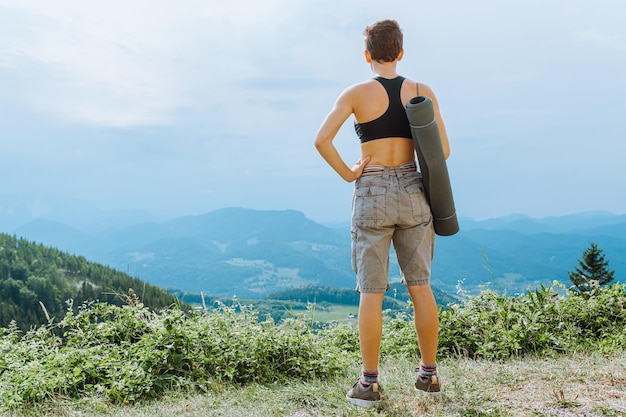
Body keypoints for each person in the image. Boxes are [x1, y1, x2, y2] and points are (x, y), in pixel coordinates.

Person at [313, 19, 450, 407]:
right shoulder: (422, 92)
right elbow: (444, 152)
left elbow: (321, 139)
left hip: (371, 190)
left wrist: (349, 173)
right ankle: (428, 375)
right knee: (419, 285)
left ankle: (369, 384)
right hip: (412, 187)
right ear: (401, 52)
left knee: (371, 292)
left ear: (367, 55)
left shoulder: (356, 93)